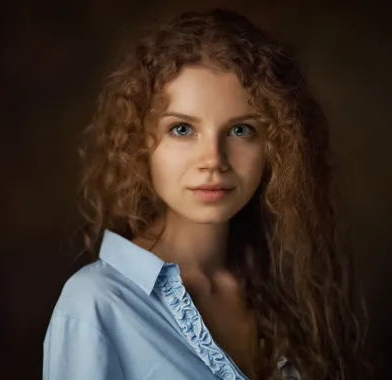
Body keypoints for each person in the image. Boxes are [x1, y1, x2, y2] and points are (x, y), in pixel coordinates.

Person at [43, 8, 365, 380]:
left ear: (276, 147)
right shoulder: (95, 306)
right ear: (138, 143)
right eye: (182, 129)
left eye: (242, 130)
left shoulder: (289, 296)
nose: (213, 160)